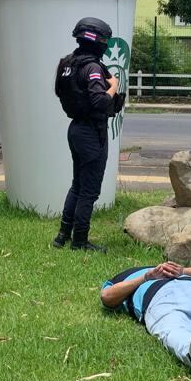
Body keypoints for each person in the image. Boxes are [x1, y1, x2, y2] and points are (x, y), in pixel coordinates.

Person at [52, 18, 124, 252]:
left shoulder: (67, 62)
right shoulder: (92, 67)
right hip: (91, 133)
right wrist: (114, 84)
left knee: (77, 184)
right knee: (89, 190)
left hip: (76, 129)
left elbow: (59, 91)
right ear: (97, 41)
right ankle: (80, 241)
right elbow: (100, 101)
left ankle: (62, 236)